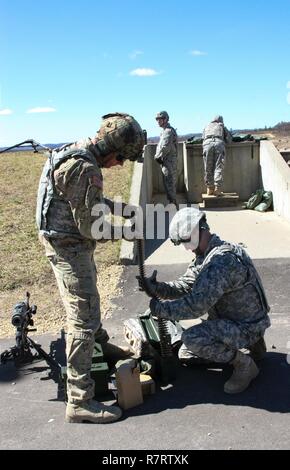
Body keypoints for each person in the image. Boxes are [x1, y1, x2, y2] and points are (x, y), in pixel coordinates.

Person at [36, 112, 145, 423]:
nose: (120, 165)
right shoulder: (86, 167)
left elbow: (87, 200)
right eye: (121, 158)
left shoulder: (76, 150)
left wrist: (121, 209)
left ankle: (101, 347)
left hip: (65, 242)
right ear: (111, 149)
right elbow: (90, 226)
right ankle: (80, 400)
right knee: (82, 319)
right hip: (69, 246)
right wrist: (126, 230)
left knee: (90, 298)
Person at [141, 207, 271, 394]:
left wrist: (162, 309)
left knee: (192, 339)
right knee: (185, 353)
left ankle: (244, 364)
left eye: (185, 241)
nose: (186, 248)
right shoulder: (211, 254)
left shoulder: (220, 263)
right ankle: (255, 345)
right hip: (247, 319)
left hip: (244, 325)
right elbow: (186, 285)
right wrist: (158, 288)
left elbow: (195, 307)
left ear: (194, 233)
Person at [202, 115, 232, 196]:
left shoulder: (206, 126)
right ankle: (217, 189)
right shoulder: (221, 126)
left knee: (208, 167)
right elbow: (229, 140)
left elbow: (203, 137)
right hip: (218, 144)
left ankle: (209, 189)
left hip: (207, 144)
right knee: (218, 167)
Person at [154, 111, 178, 206]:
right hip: (167, 161)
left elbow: (165, 147)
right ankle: (172, 203)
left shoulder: (168, 131)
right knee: (168, 183)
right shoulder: (165, 131)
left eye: (160, 119)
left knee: (169, 184)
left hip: (168, 162)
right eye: (157, 119)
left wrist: (157, 156)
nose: (158, 121)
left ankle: (173, 205)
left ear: (165, 119)